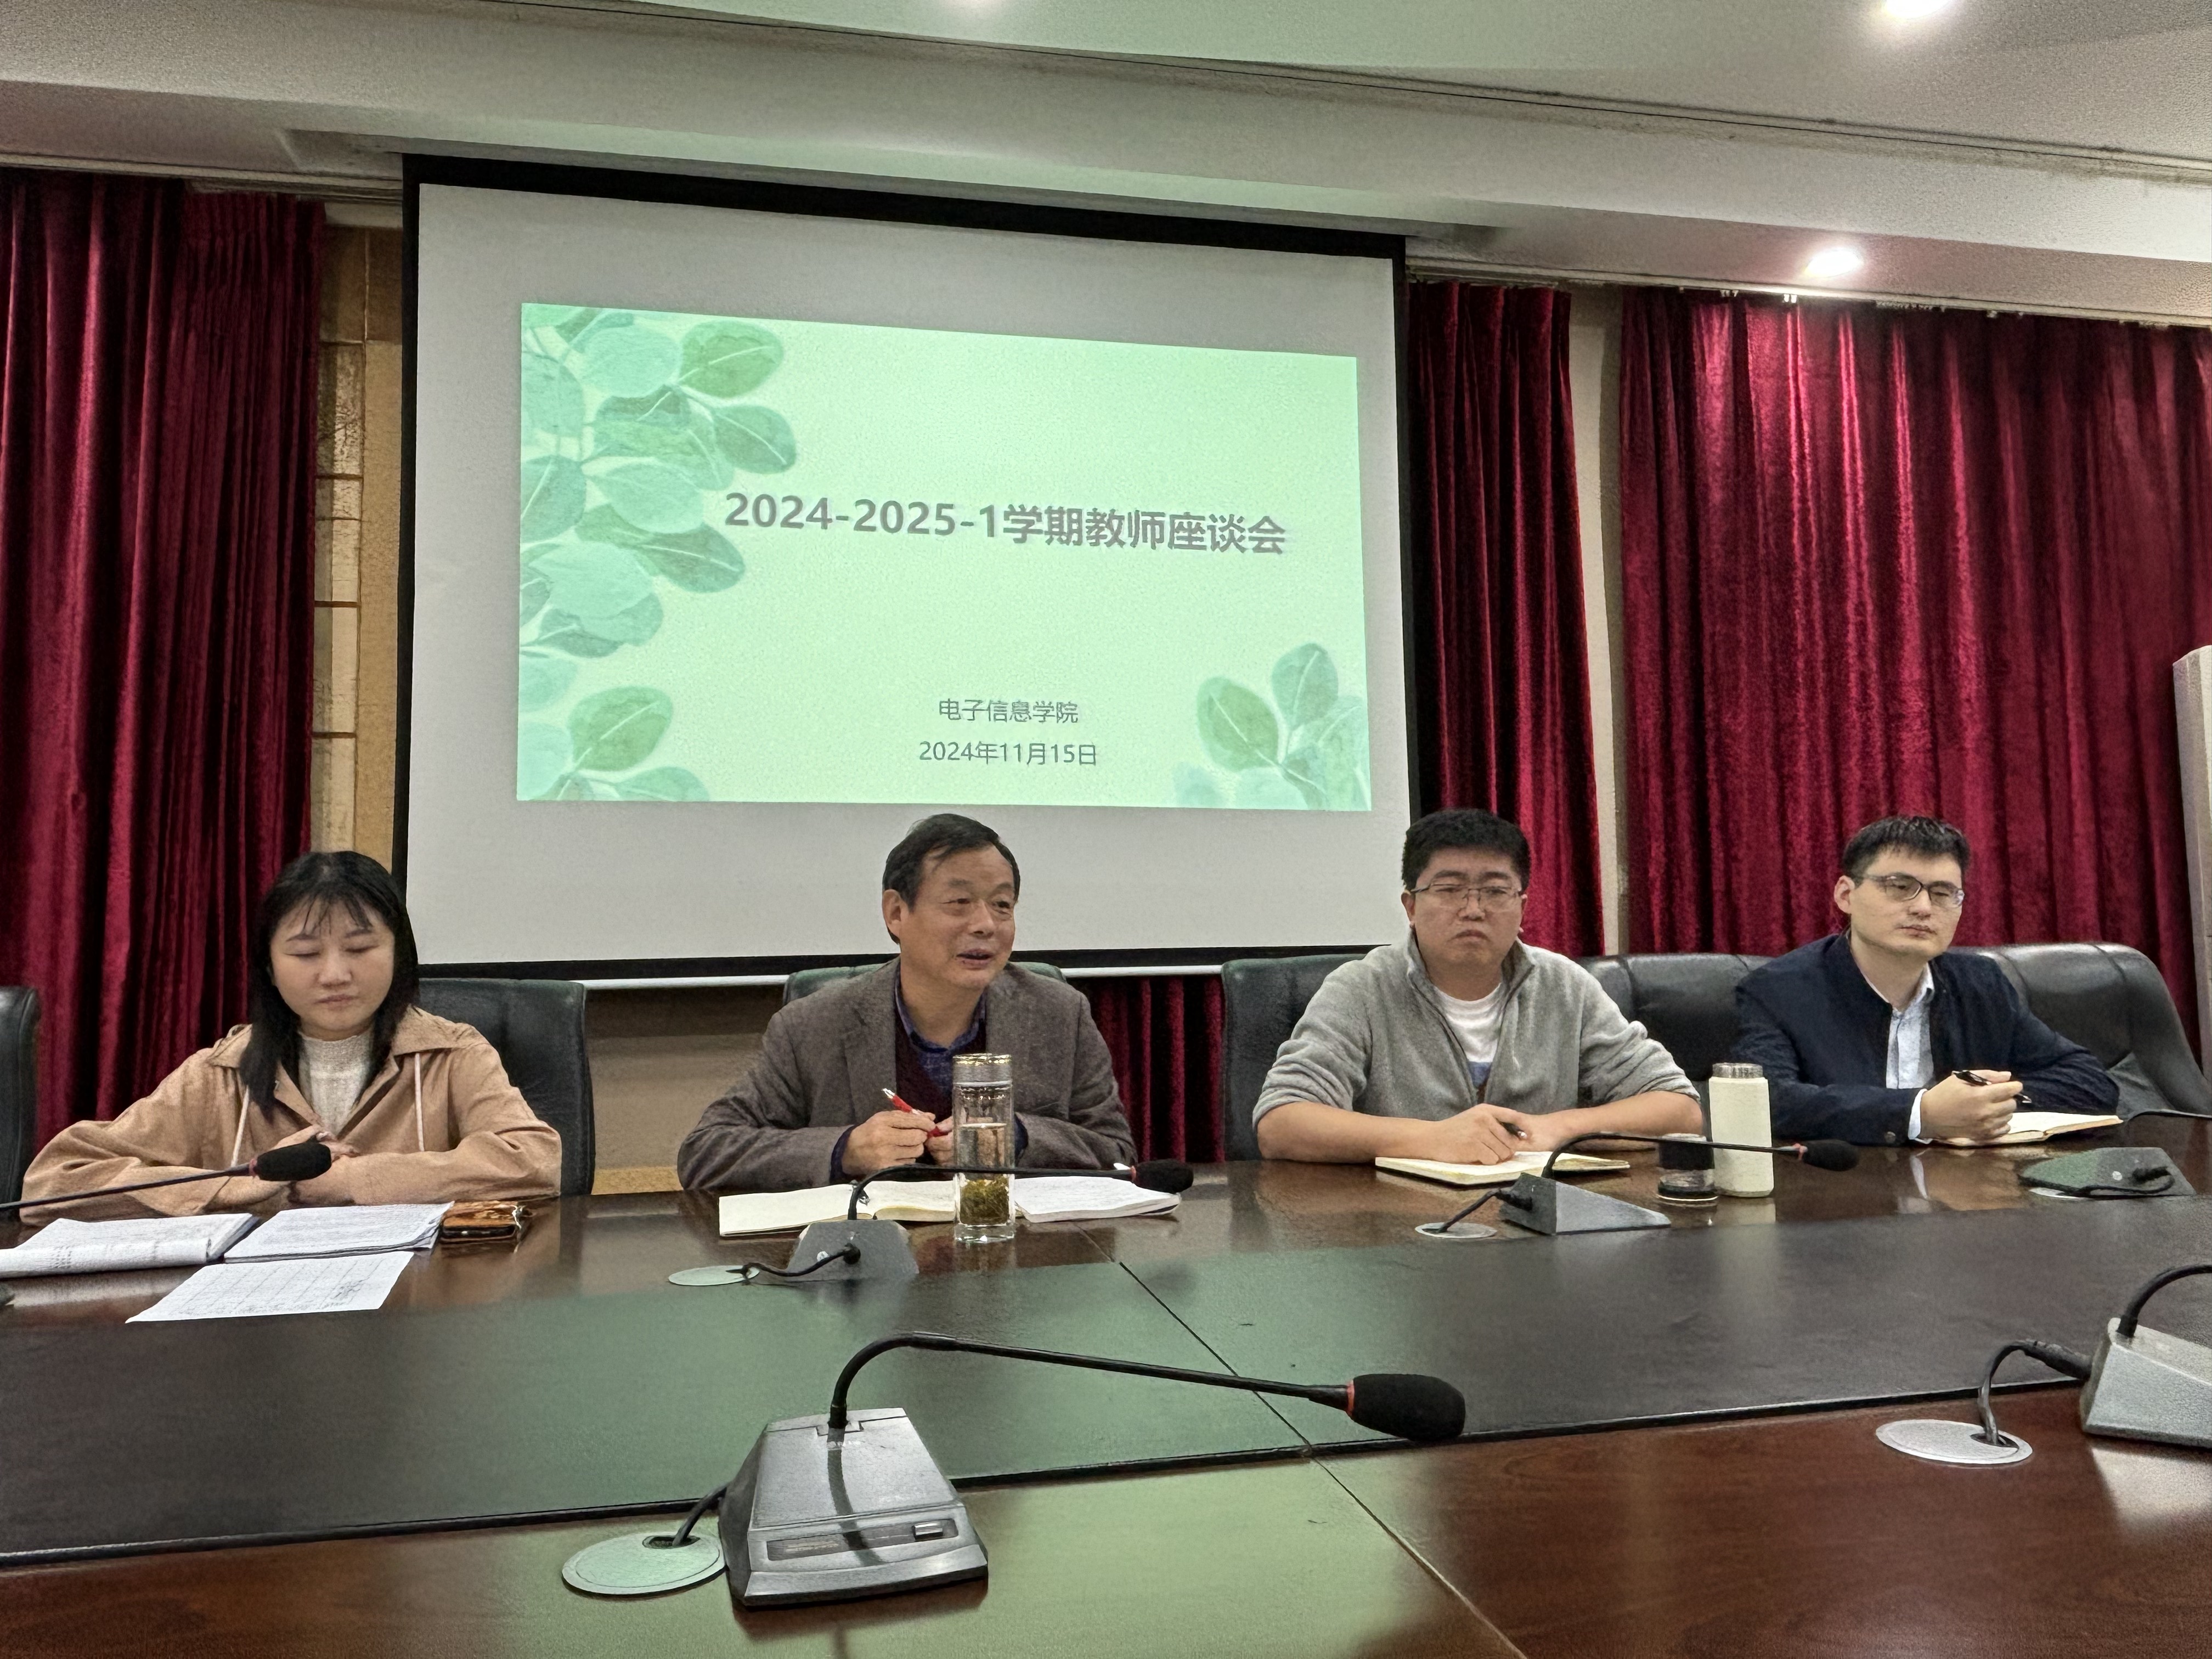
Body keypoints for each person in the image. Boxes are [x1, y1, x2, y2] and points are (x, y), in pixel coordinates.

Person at [21, 851, 562, 1218]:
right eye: (305, 953)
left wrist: (355, 1181)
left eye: (360, 948)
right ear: (270, 966)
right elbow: (55, 1180)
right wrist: (240, 1184)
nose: (335, 974)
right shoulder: (220, 1073)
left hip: (414, 1310)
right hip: (256, 1325)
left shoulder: (452, 1053)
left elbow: (534, 1160)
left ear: (399, 954)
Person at [679, 814, 1137, 1192]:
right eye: (959, 902)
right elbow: (706, 1154)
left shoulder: (1059, 1013)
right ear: (897, 913)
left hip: (1020, 1253)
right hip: (871, 1260)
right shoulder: (813, 1026)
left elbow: (1116, 1151)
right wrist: (845, 1150)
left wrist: (1015, 1138)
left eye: (1002, 905)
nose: (985, 924)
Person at [1255, 809, 1702, 1163]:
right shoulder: (1361, 989)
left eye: (1494, 891)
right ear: (1411, 907)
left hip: (1538, 1225)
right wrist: (1432, 1139)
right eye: (1449, 889)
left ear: (1522, 907)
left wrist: (1557, 1129)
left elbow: (1679, 1109)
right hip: (1399, 1225)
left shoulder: (1565, 987)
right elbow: (1281, 1123)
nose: (1473, 909)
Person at [1730, 815, 2117, 1146]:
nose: (1923, 907)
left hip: (1967, 1192)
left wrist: (1985, 1106)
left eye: (1943, 893)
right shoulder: (1778, 991)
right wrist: (1920, 1113)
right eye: (1900, 887)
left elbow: (2090, 1081)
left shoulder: (1981, 983)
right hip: (1843, 1191)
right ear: (1846, 895)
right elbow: (1764, 1102)